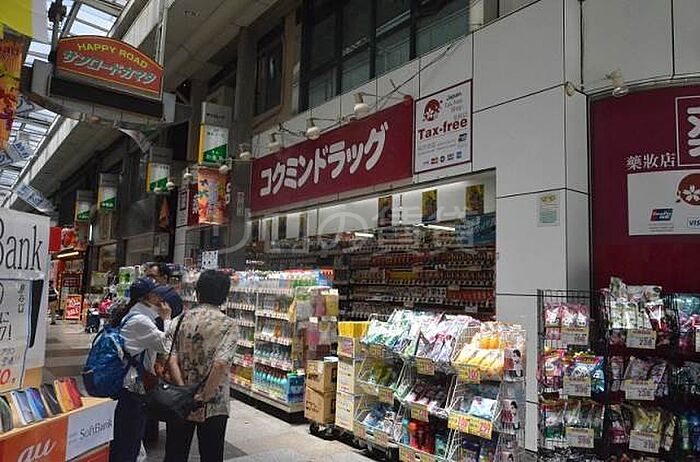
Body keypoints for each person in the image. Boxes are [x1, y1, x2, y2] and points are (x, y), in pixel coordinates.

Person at [164, 270, 237, 462]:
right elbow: (220, 364)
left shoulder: (179, 320)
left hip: (180, 399)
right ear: (224, 296)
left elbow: (170, 358)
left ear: (198, 292)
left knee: (175, 453)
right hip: (213, 403)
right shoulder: (228, 325)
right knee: (211, 455)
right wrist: (203, 397)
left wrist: (184, 391)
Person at [110, 278, 172, 462]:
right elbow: (166, 345)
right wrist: (167, 319)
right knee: (129, 438)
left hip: (126, 384)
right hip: (131, 387)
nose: (160, 298)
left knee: (127, 436)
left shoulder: (133, 315)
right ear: (147, 297)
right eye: (156, 294)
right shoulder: (141, 321)